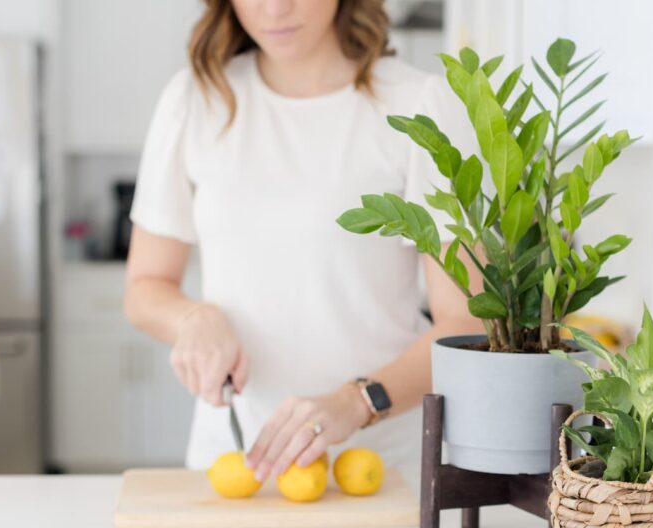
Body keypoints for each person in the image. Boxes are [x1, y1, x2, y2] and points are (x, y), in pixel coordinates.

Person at [124, 0, 482, 484]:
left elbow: (466, 325)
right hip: (232, 462)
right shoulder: (196, 98)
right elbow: (145, 287)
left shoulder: (419, 105)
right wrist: (194, 317)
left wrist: (357, 402)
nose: (274, 9)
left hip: (381, 470)